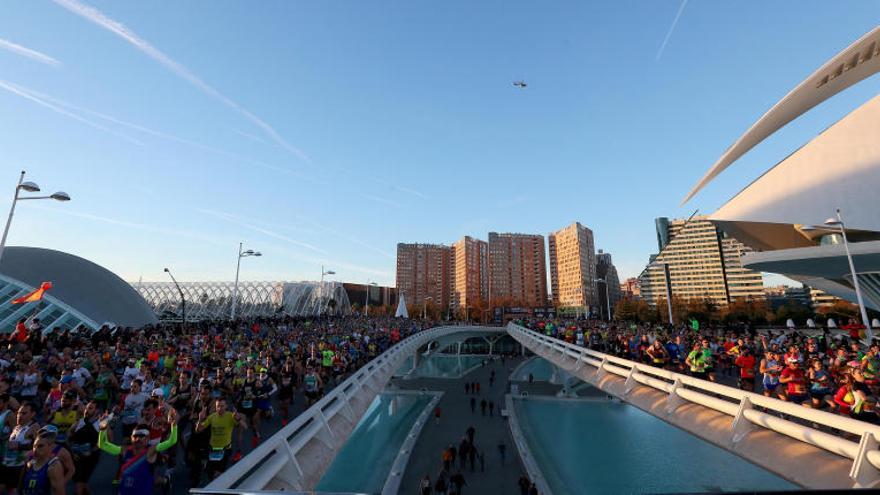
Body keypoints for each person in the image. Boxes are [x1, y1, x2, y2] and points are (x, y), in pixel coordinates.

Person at [98, 410, 179, 495]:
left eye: (141, 436)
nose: (138, 439)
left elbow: (172, 441)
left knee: (155, 480)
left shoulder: (150, 451)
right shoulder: (125, 450)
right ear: (131, 438)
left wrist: (173, 425)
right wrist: (103, 430)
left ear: (148, 438)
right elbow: (103, 445)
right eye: (135, 436)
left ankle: (165, 480)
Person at [196, 397, 248, 479]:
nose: (219, 408)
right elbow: (198, 430)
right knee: (210, 474)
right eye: (218, 406)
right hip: (212, 448)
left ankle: (220, 487)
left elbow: (245, 427)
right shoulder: (212, 416)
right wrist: (200, 419)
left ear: (226, 406)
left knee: (218, 473)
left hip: (225, 449)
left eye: (222, 406)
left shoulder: (230, 416)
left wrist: (238, 418)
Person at [68, 401, 101, 495]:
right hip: (76, 457)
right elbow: (69, 436)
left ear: (96, 410)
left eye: (90, 408)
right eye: (86, 408)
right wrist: (73, 451)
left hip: (91, 457)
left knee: (80, 484)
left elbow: (104, 441)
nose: (86, 411)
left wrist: (90, 451)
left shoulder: (100, 423)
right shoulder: (79, 422)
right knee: (80, 484)